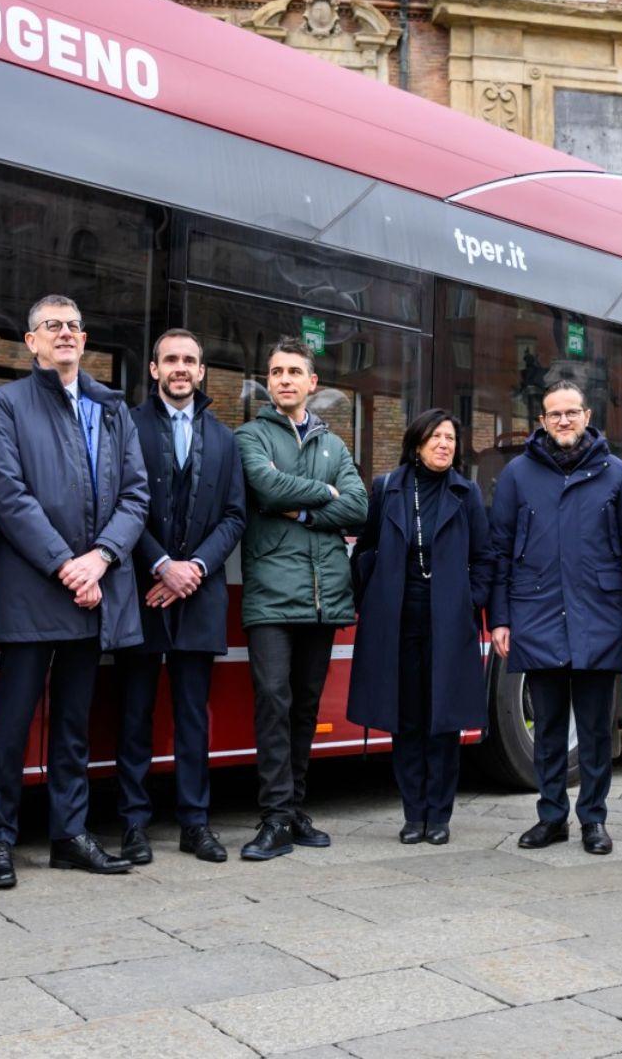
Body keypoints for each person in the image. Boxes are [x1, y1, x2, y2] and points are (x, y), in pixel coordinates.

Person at [0, 296, 148, 889]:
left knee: (74, 726)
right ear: (32, 342)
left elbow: (136, 495)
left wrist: (101, 559)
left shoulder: (112, 407)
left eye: (75, 325)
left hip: (94, 591)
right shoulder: (7, 403)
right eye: (53, 326)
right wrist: (66, 565)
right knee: (12, 725)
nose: (66, 333)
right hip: (36, 590)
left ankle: (70, 836)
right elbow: (6, 493)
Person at [489, 380, 622, 855]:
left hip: (601, 616)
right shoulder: (517, 474)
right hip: (536, 613)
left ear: (587, 416)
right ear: (542, 421)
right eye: (554, 414)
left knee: (596, 730)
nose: (563, 420)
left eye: (571, 412)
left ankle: (593, 820)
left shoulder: (615, 473)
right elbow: (500, 550)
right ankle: (551, 817)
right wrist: (500, 618)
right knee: (548, 728)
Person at [233, 337, 368, 861]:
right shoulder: (250, 436)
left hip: (323, 596)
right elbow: (267, 489)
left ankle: (293, 812)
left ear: (313, 383)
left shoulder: (335, 445)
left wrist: (306, 509)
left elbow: (358, 506)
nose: (284, 379)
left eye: (294, 371)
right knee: (273, 702)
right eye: (276, 372)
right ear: (268, 382)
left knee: (306, 707)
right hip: (270, 595)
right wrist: (325, 492)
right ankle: (273, 818)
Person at [117, 329, 245, 865]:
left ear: (201, 371)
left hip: (199, 592)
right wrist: (162, 565)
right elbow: (118, 503)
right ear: (154, 369)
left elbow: (234, 515)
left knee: (194, 716)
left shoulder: (225, 439)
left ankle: (196, 823)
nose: (180, 368)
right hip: (143, 590)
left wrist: (194, 568)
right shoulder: (127, 425)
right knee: (135, 714)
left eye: (190, 360)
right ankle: (133, 824)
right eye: (170, 359)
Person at [349, 410, 494, 845]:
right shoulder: (387, 488)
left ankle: (440, 815)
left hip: (448, 624)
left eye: (450, 438)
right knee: (407, 720)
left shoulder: (466, 493)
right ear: (417, 444)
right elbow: (365, 549)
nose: (444, 444)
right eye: (436, 437)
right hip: (395, 624)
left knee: (442, 722)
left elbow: (484, 556)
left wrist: (470, 599)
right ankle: (414, 815)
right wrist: (371, 597)